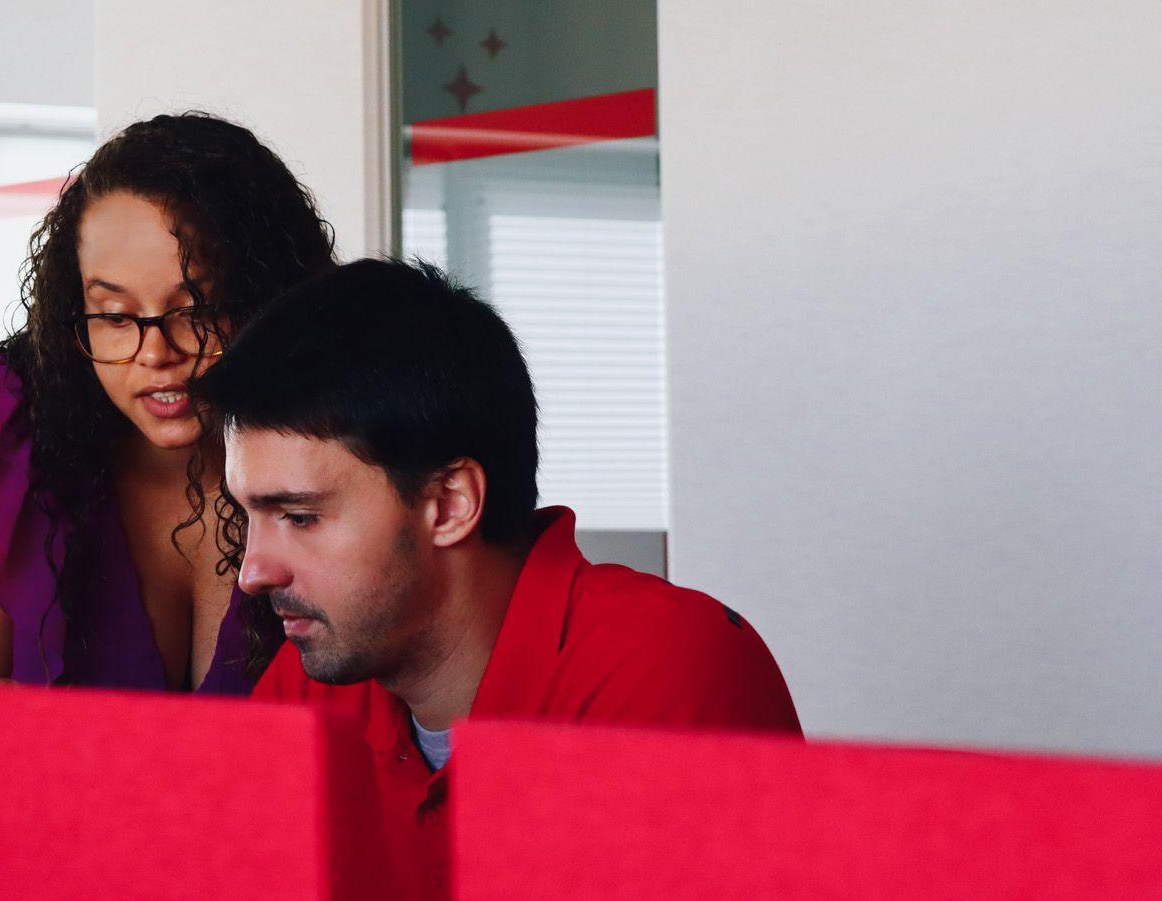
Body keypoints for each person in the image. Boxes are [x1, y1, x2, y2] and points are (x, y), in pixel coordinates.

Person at [198, 258, 800, 895]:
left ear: (450, 503)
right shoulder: (308, 683)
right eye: (250, 514)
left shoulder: (668, 668)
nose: (253, 573)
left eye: (299, 516)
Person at [0, 113, 335, 691]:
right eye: (115, 316)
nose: (155, 353)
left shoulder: (345, 442)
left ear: (273, 301)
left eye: (197, 310)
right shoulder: (1, 425)